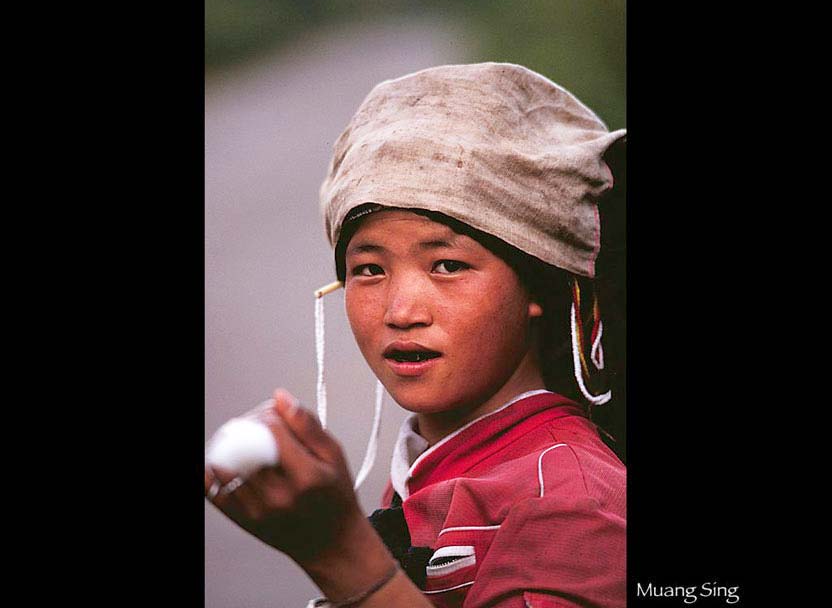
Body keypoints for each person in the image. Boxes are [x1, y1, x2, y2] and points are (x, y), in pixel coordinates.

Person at [205, 62, 626, 608]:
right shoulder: (435, 461)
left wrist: (341, 556)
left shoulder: (570, 500)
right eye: (370, 270)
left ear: (537, 285)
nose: (401, 311)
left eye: (447, 265)